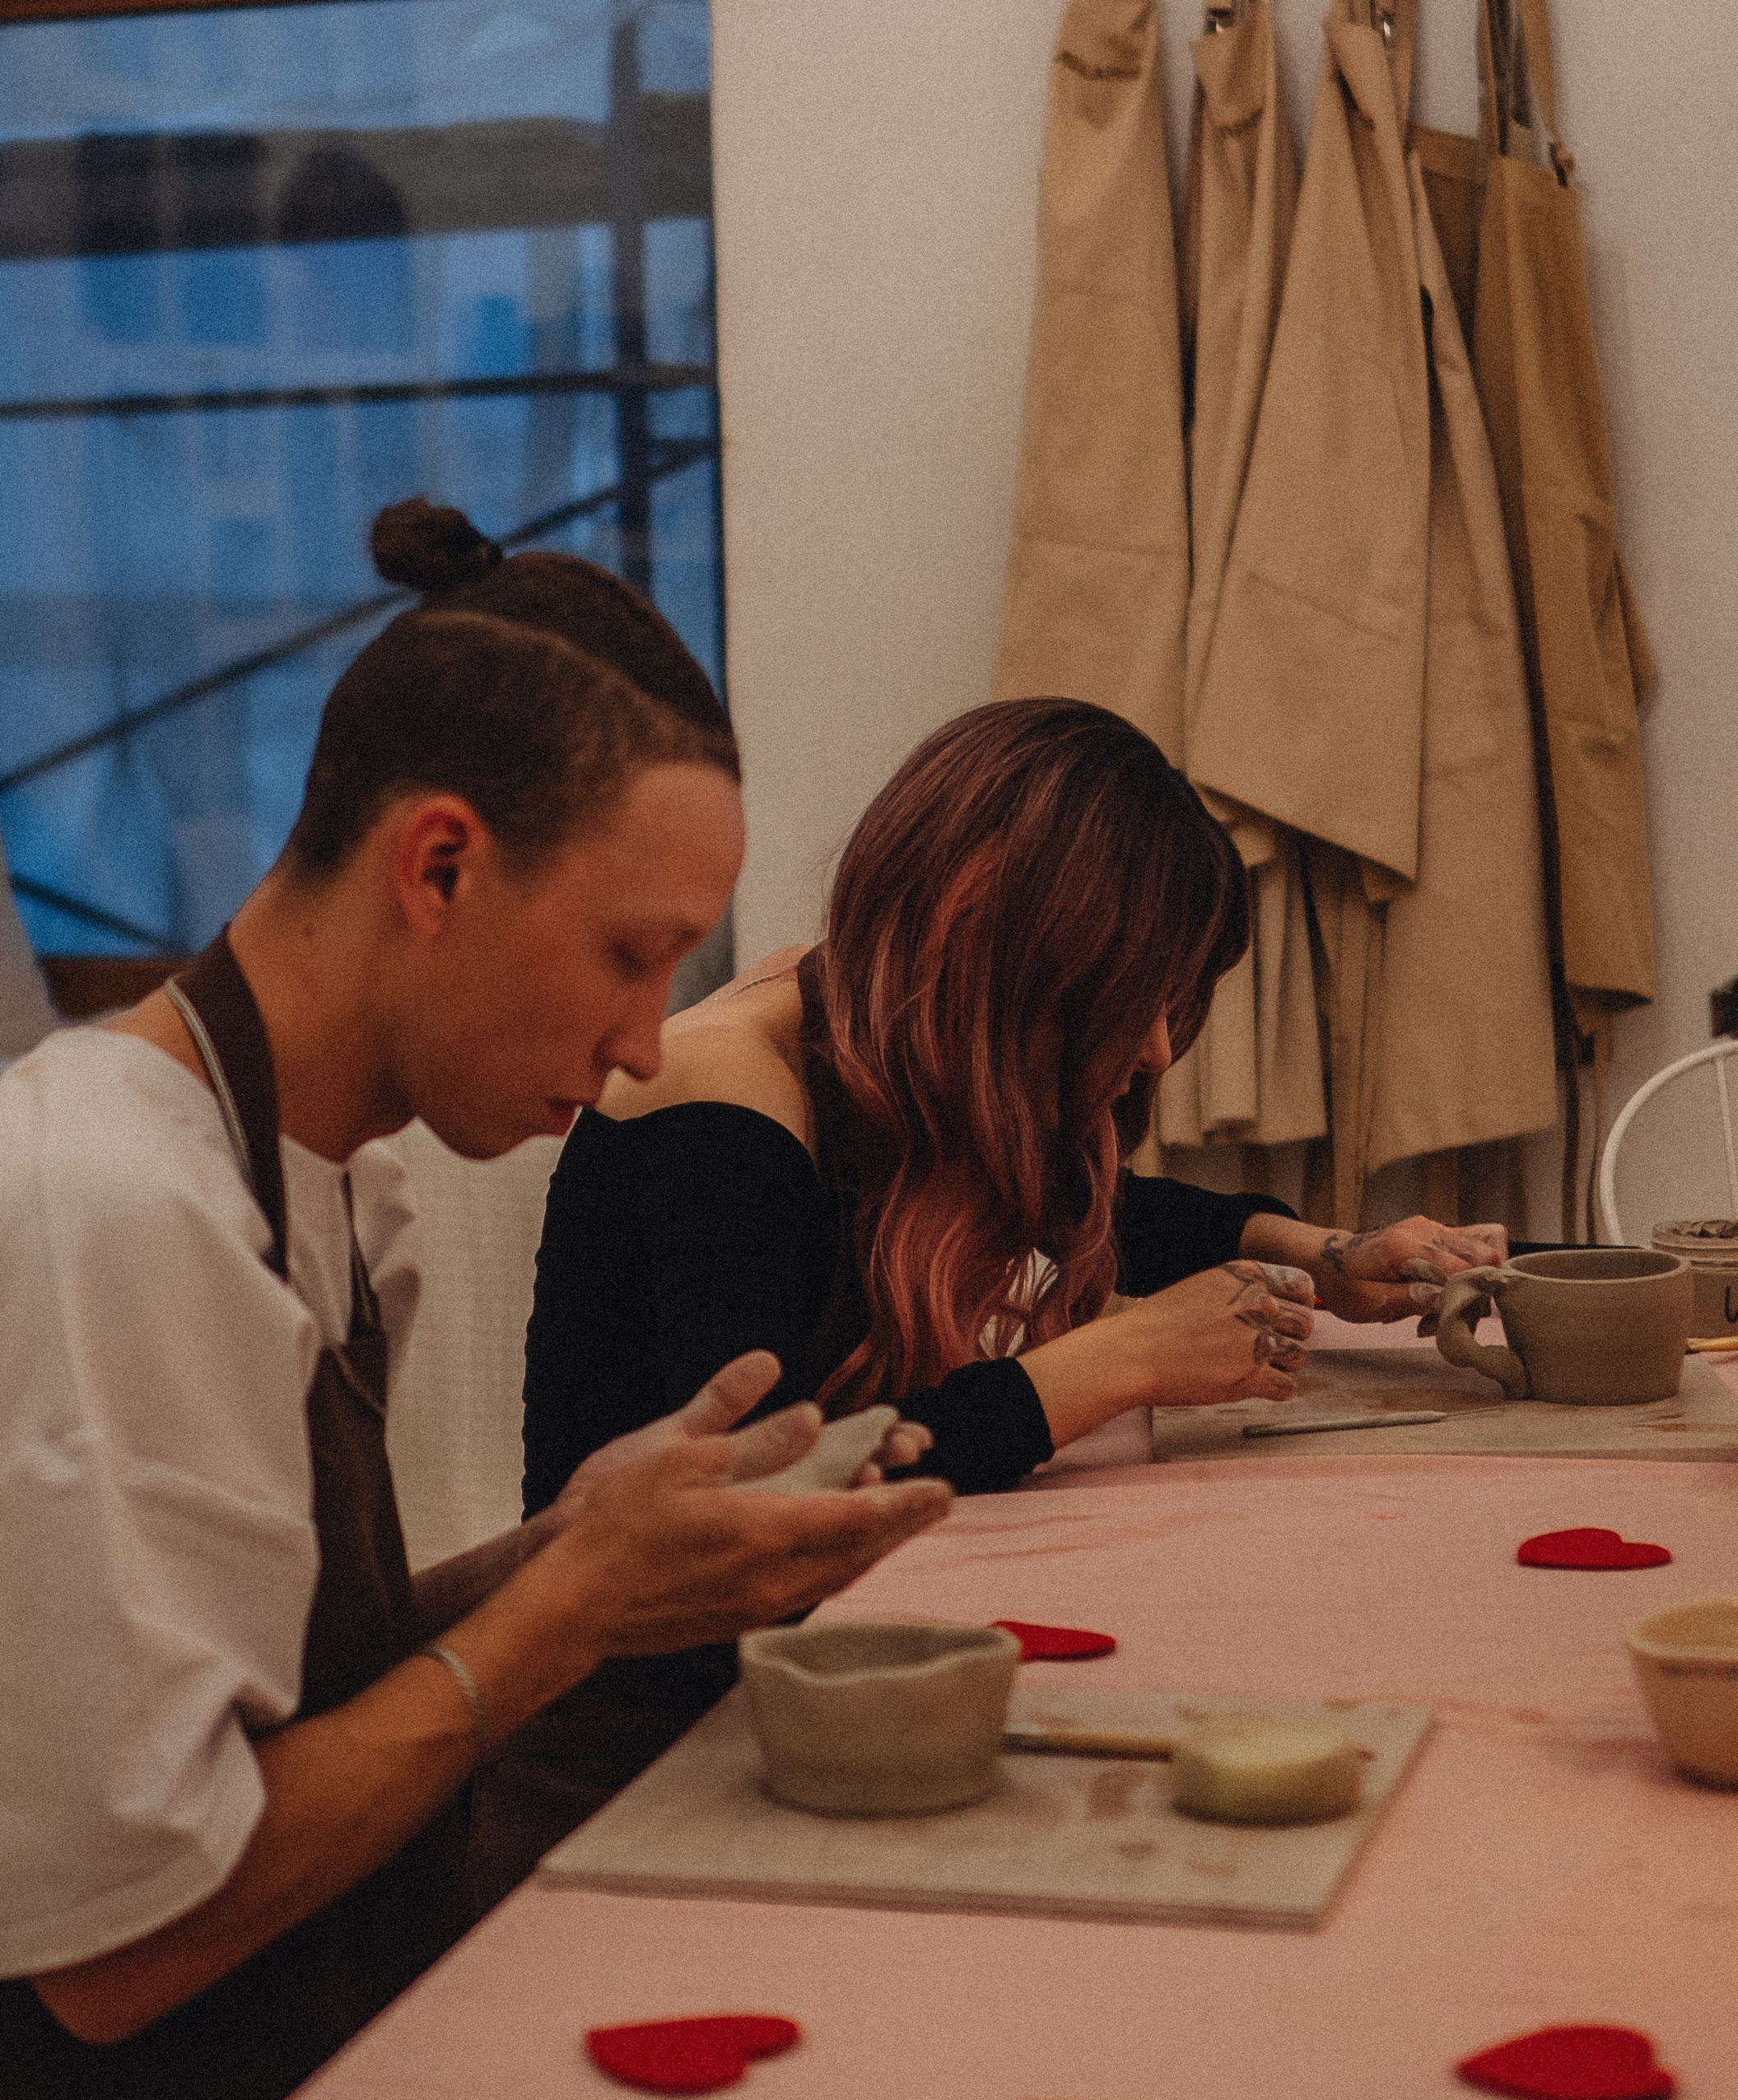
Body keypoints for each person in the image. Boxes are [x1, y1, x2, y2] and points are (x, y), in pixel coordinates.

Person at [0, 501, 950, 2100]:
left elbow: (248, 1685)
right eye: (628, 954)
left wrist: (559, 1550)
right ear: (439, 866)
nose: (650, 1041)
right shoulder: (101, 1216)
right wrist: (570, 1618)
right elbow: (120, 1941)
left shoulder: (330, 1183)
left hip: (246, 2090)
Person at [473, 697, 1507, 1896]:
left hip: (806, 1688)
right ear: (1012, 959)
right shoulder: (721, 1107)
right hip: (637, 1747)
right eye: (1134, 1001)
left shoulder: (869, 1008)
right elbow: (785, 1489)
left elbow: (1075, 1197)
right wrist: (1119, 1361)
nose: (1157, 1051)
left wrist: (1324, 1256)